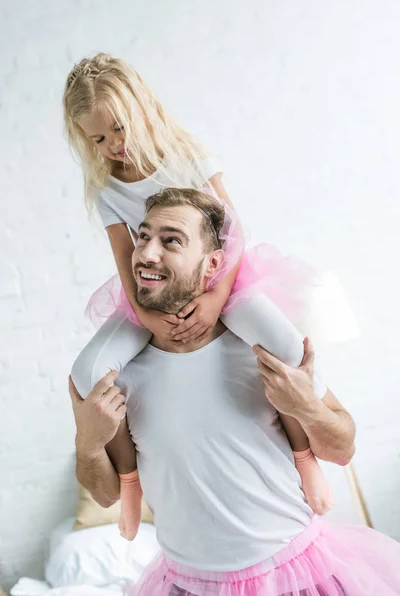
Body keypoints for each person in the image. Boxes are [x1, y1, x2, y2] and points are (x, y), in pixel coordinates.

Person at [69, 190, 400, 595]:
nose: (146, 254)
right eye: (142, 237)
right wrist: (87, 444)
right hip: (186, 584)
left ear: (212, 264)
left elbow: (343, 448)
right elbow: (105, 496)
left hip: (295, 576)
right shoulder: (114, 371)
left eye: (171, 240)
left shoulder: (258, 344)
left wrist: (307, 408)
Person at [64, 53, 332, 539]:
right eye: (97, 138)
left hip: (223, 278)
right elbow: (127, 261)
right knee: (87, 373)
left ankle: (303, 454)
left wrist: (214, 302)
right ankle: (130, 484)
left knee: (290, 351)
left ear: (141, 111)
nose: (112, 146)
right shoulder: (107, 189)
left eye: (118, 130)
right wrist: (148, 319)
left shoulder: (187, 157)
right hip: (150, 295)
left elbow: (234, 233)